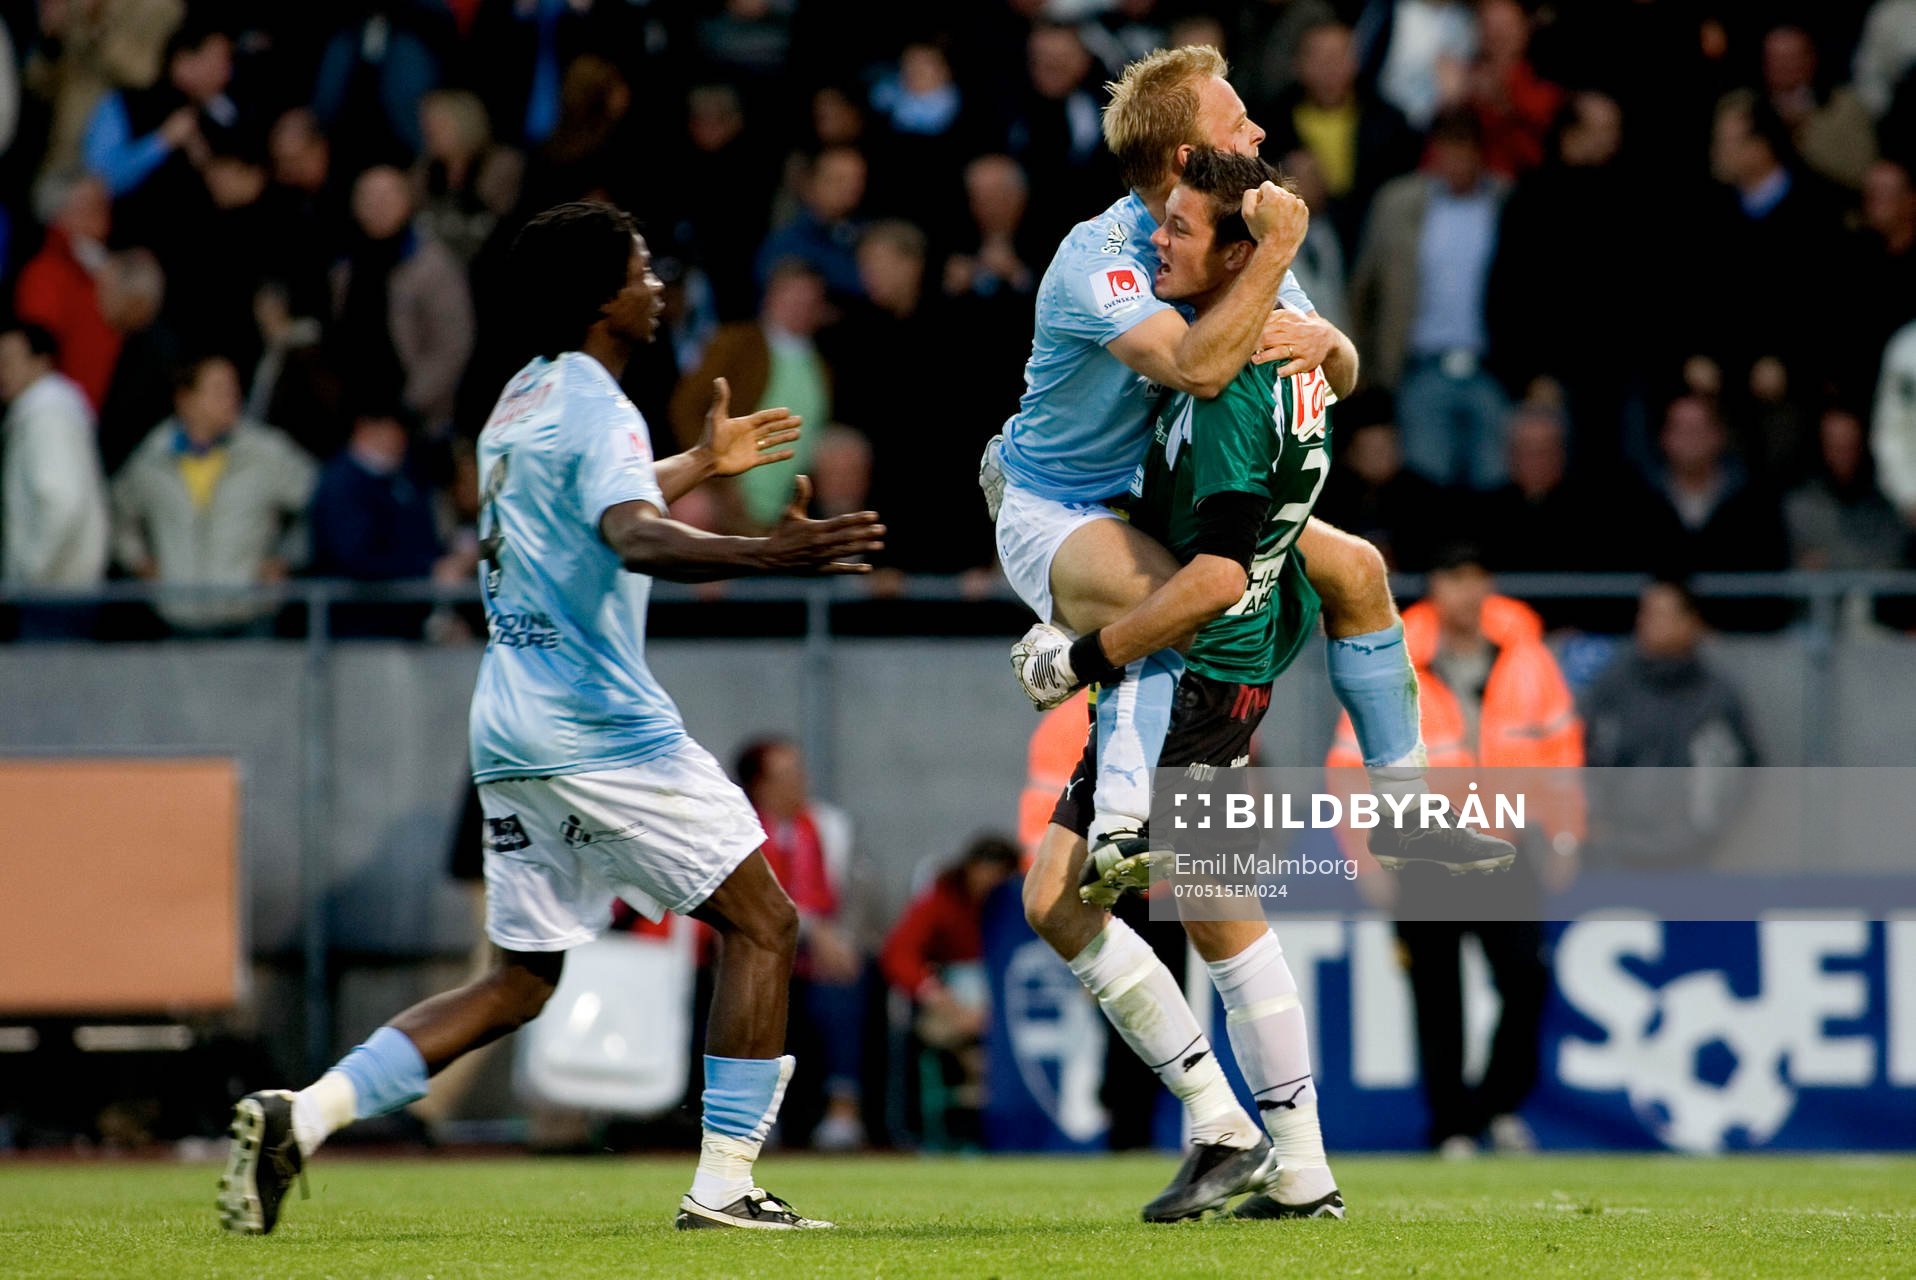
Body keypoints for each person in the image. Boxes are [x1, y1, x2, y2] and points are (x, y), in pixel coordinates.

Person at [216, 201, 884, 1237]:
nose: (656, 283)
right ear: (599, 298)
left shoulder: (521, 399)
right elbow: (628, 535)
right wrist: (765, 554)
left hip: (509, 725)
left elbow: (594, 509)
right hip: (599, 722)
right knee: (765, 919)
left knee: (520, 980)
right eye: (641, 266)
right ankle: (723, 1186)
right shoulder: (599, 405)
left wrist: (697, 468)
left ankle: (304, 1112)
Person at [990, 45, 1475, 913]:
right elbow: (1199, 370)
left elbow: (1345, 366)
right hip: (1068, 502)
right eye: (1236, 120)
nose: (1258, 130)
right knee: (1188, 600)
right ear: (1188, 159)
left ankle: (1407, 813)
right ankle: (1112, 801)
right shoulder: (1103, 258)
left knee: (1360, 570)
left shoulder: (1229, 234)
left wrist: (1333, 345)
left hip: (1162, 486)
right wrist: (1281, 256)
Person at [1017, 149, 1355, 1224]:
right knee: (1064, 899)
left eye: (1175, 228)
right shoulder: (1274, 344)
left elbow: (1209, 574)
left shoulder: (1228, 380)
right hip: (1211, 663)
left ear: (1233, 255)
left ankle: (1273, 1148)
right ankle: (1256, 1141)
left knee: (1203, 907)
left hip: (1201, 669)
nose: (1154, 239)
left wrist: (1080, 656)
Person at [1327, 547, 1582, 1155]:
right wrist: (1363, 860)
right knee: (1437, 997)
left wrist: (1568, 834)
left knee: (1526, 980)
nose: (1467, 591)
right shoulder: (1391, 656)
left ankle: (1496, 1105)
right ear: (1435, 585)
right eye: (1454, 576)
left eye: (1477, 577)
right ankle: (1452, 1127)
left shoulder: (1528, 656)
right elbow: (1348, 769)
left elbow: (1562, 753)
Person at [1351, 107, 1511, 489]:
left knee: (1496, 479)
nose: (1455, 160)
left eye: (1464, 149)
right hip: (1420, 367)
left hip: (1492, 368)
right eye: (1446, 149)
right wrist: (1365, 366)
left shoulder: (1506, 202)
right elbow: (1365, 289)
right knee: (1425, 482)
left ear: (1480, 151)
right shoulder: (1398, 204)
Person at [110, 355, 316, 636]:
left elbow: (322, 504)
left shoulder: (266, 453)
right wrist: (138, 561)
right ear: (185, 400)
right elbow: (117, 513)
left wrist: (288, 558)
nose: (232, 398)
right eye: (219, 390)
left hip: (249, 617)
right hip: (177, 619)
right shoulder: (152, 458)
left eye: (234, 389)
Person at [734, 736, 866, 1151]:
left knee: (848, 984)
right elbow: (750, 901)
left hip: (816, 958)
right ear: (759, 785)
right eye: (786, 776)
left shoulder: (828, 827)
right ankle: (753, 1113)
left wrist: (837, 941)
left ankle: (843, 1112)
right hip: (754, 949)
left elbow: (857, 900)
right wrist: (811, 929)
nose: (798, 784)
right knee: (757, 985)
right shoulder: (738, 830)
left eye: (799, 773)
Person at [0, 324, 109, 638]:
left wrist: (31, 573)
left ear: (42, 362)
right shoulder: (52, 411)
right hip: (65, 587)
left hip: (53, 593)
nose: (2, 371)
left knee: (46, 686)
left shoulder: (47, 417)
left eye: (9, 360)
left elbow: (61, 501)